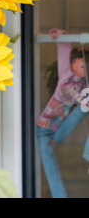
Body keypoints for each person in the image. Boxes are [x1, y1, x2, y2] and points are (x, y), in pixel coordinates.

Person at [37, 28, 89, 198]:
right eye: (76, 63)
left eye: (82, 66)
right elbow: (76, 96)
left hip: (59, 130)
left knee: (84, 107)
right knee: (50, 165)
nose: (78, 67)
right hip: (45, 128)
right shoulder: (66, 79)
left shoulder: (82, 84)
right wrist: (62, 37)